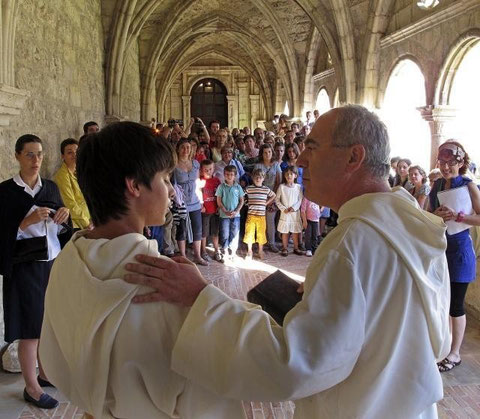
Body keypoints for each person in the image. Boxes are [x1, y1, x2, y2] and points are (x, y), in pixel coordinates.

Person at [125, 105, 451, 419]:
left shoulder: (352, 244)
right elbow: (434, 337)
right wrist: (326, 295)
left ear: (354, 157)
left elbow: (297, 364)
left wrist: (200, 297)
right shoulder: (411, 224)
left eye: (312, 147)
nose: (302, 159)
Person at [39, 122, 244, 419]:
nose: (172, 190)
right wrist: (203, 297)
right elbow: (208, 393)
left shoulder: (66, 264)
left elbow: (51, 361)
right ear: (134, 185)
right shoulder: (162, 283)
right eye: (164, 179)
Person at [0, 134, 71, 410]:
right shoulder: (5, 193)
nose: (36, 160)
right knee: (30, 329)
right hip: (23, 267)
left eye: (40, 154)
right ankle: (31, 387)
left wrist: (65, 219)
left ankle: (44, 374)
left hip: (50, 264)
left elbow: (63, 229)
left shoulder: (50, 188)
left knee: (47, 324)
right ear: (17, 156)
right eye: (29, 154)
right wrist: (25, 221)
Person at [428, 140, 480, 373]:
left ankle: (455, 353)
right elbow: (427, 216)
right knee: (442, 301)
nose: (446, 166)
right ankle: (445, 346)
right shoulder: (437, 185)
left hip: (460, 251)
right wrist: (436, 215)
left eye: (451, 162)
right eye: (442, 162)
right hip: (440, 249)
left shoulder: (469, 186)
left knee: (456, 305)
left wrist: (460, 217)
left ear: (461, 162)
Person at [173, 139, 206, 266]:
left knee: (197, 228)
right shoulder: (174, 165)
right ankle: (183, 256)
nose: (186, 150)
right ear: (178, 149)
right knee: (182, 229)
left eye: (188, 147)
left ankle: (197, 255)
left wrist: (201, 200)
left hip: (195, 200)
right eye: (183, 147)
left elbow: (197, 183)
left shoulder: (196, 164)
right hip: (181, 202)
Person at [54, 138, 91, 230]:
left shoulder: (79, 172)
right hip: (76, 224)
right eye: (70, 152)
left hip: (89, 219)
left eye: (76, 151)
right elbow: (70, 205)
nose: (74, 155)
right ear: (63, 156)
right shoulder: (62, 176)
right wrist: (87, 224)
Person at [254, 144, 282, 253]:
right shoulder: (258, 166)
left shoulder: (276, 165)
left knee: (270, 221)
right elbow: (256, 181)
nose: (267, 154)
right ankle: (261, 242)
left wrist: (272, 197)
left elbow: (278, 182)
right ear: (262, 154)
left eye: (269, 152)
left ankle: (272, 243)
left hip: (272, 197)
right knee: (260, 220)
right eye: (265, 152)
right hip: (260, 196)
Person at [243, 168, 276, 260]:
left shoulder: (266, 189)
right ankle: (249, 251)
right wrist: (246, 203)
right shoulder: (249, 188)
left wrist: (266, 203)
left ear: (263, 178)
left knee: (261, 234)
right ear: (253, 178)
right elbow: (242, 196)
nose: (258, 179)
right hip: (251, 215)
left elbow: (274, 195)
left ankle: (260, 250)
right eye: (256, 177)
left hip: (261, 216)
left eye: (260, 177)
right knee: (249, 233)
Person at [216, 165, 244, 261]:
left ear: (235, 176)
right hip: (224, 215)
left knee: (235, 233)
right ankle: (225, 250)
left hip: (236, 215)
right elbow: (219, 201)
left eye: (231, 174)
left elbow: (241, 201)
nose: (229, 176)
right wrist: (225, 211)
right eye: (227, 174)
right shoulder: (221, 187)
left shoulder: (238, 187)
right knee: (225, 233)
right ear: (224, 175)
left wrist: (236, 211)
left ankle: (233, 252)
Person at [275, 166, 304, 257]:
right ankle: (285, 248)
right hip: (285, 213)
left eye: (291, 174)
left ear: (295, 176)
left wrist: (294, 208)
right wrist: (283, 209)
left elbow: (300, 199)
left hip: (294, 213)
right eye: (287, 174)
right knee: (285, 231)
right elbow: (277, 199)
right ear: (284, 175)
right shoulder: (282, 187)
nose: (289, 175)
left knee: (295, 231)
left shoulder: (298, 187)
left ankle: (296, 247)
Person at [199, 159, 223, 263]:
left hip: (215, 211)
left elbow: (219, 195)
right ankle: (203, 251)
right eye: (206, 169)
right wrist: (201, 205)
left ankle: (216, 250)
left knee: (215, 232)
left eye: (210, 169)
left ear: (213, 169)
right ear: (201, 170)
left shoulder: (217, 181)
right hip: (205, 211)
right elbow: (198, 193)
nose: (208, 171)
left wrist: (219, 206)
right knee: (204, 233)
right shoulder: (199, 180)